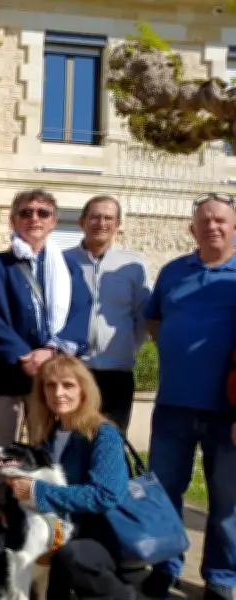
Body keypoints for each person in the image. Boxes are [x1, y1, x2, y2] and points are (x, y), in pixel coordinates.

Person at [141, 193, 236, 600]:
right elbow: (155, 318)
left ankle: (221, 577)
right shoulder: (173, 271)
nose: (212, 226)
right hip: (174, 404)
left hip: (228, 410)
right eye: (204, 220)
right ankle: (166, 566)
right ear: (191, 228)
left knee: (227, 500)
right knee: (164, 491)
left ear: (234, 227)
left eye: (221, 220)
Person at [0, 188, 90, 510]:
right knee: (2, 459)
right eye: (26, 212)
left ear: (53, 222)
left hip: (52, 380)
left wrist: (50, 351)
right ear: (13, 221)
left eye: (43, 213)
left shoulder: (69, 268)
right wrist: (24, 355)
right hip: (6, 377)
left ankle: (43, 521)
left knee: (47, 457)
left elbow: (82, 313)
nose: (34, 218)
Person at [5, 354, 133, 600]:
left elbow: (106, 495)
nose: (58, 393)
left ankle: (121, 594)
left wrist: (36, 492)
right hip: (57, 530)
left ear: (84, 390)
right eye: (50, 385)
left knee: (70, 557)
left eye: (68, 385)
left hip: (95, 536)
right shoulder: (48, 434)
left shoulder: (103, 434)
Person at [64, 195, 151, 430]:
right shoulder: (62, 261)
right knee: (71, 443)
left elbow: (142, 316)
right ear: (82, 222)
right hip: (74, 370)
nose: (101, 223)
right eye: (94, 217)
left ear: (118, 225)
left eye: (108, 218)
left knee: (110, 444)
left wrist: (126, 346)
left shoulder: (133, 265)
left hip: (117, 372)